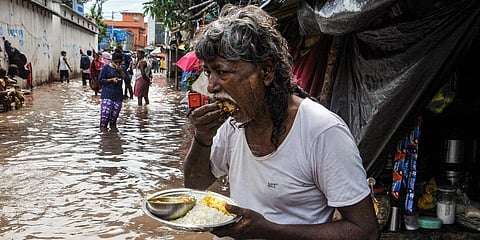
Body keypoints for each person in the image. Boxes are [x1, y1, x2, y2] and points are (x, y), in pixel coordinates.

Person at [183, 4, 379, 240]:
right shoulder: (233, 122)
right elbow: (195, 184)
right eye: (208, 72)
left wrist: (268, 230)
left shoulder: (322, 131)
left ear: (266, 71)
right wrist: (202, 138)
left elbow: (365, 231)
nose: (212, 86)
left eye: (222, 72)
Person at [97, 52, 126, 131]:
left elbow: (127, 80)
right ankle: (104, 137)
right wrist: (111, 80)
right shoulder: (106, 68)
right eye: (115, 62)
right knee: (104, 118)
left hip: (118, 96)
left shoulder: (122, 68)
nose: (117, 64)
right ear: (111, 61)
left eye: (119, 62)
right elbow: (100, 80)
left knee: (114, 120)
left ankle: (112, 137)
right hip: (107, 95)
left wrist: (120, 71)